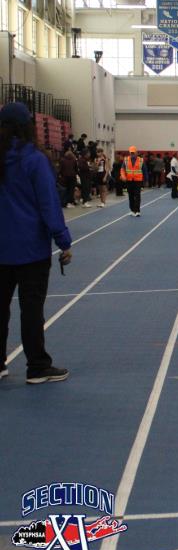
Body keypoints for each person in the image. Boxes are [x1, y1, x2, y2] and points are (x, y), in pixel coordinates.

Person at [0, 102, 71, 385]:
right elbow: (48, 204)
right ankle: (37, 366)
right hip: (31, 249)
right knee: (31, 309)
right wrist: (64, 241)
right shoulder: (34, 160)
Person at [120, 146, 144, 216]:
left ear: (136, 153)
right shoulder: (126, 160)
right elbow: (122, 169)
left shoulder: (141, 160)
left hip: (138, 181)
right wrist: (123, 176)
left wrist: (146, 180)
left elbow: (144, 170)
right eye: (131, 153)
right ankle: (132, 210)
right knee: (131, 196)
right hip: (129, 180)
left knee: (137, 195)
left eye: (133, 153)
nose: (132, 154)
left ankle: (137, 210)